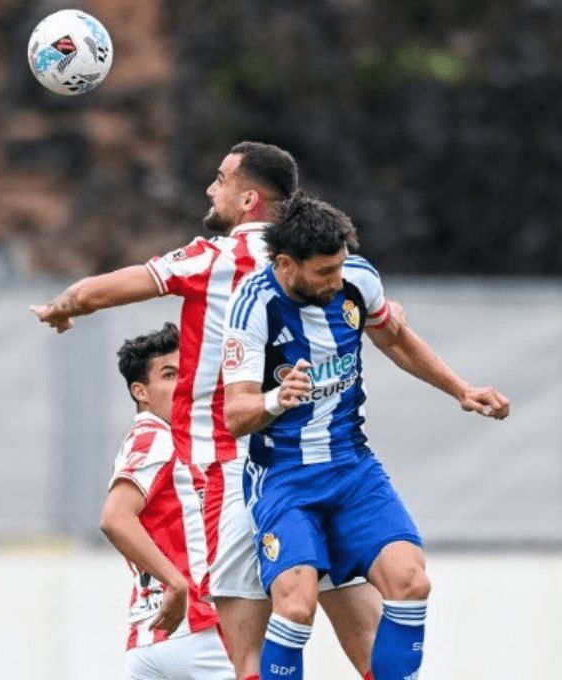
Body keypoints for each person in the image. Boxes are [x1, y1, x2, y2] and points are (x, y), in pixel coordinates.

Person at [31, 142, 381, 680]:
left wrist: (63, 306)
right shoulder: (331, 266)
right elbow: (387, 320)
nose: (208, 189)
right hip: (318, 461)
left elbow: (106, 289)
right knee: (364, 638)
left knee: (244, 653)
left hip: (232, 467)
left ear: (247, 199)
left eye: (219, 179)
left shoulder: (214, 258)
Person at [220, 192, 512, 680]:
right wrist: (275, 399)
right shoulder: (253, 305)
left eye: (339, 267)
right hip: (283, 476)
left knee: (411, 581)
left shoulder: (358, 277)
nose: (336, 281)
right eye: (323, 273)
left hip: (352, 468)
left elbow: (393, 338)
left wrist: (460, 389)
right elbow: (235, 414)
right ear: (286, 264)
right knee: (295, 606)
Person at [101, 322, 235, 679]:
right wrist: (176, 582)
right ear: (140, 391)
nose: (182, 384)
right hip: (196, 630)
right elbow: (115, 518)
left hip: (150, 638)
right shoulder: (155, 437)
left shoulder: (174, 442)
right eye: (169, 374)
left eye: (185, 372)